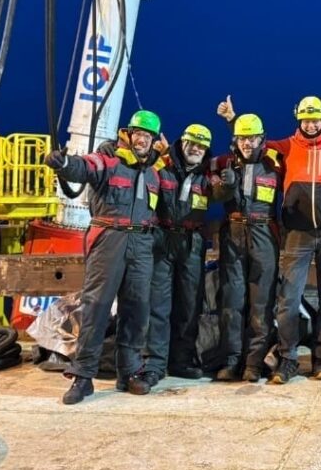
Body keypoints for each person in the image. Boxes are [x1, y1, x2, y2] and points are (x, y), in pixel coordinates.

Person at [217, 95, 321, 384]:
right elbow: (251, 145)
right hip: (297, 234)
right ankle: (288, 359)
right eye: (305, 120)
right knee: (288, 299)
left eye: (315, 119)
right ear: (298, 119)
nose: (310, 125)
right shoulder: (286, 147)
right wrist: (232, 121)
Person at [44, 109, 163, 404]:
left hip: (141, 243)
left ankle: (129, 373)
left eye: (147, 136)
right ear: (128, 134)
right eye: (138, 133)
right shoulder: (108, 160)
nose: (142, 140)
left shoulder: (153, 172)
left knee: (137, 308)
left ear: (153, 141)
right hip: (109, 238)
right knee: (96, 307)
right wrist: (64, 164)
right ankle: (83, 377)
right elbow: (83, 168)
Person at [210, 113, 282, 382]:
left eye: (252, 138)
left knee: (261, 302)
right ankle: (231, 361)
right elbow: (189, 164)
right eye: (242, 138)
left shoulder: (275, 163)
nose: (247, 143)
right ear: (235, 140)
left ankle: (254, 363)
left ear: (261, 139)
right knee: (231, 300)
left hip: (264, 233)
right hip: (233, 233)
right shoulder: (223, 163)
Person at [141, 123, 214, 384]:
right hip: (162, 240)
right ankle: (155, 363)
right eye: (191, 143)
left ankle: (181, 361)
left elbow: (224, 190)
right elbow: (140, 170)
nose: (195, 149)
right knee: (158, 304)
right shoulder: (163, 166)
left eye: (201, 146)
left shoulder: (208, 174)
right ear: (181, 143)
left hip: (192, 243)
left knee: (189, 304)